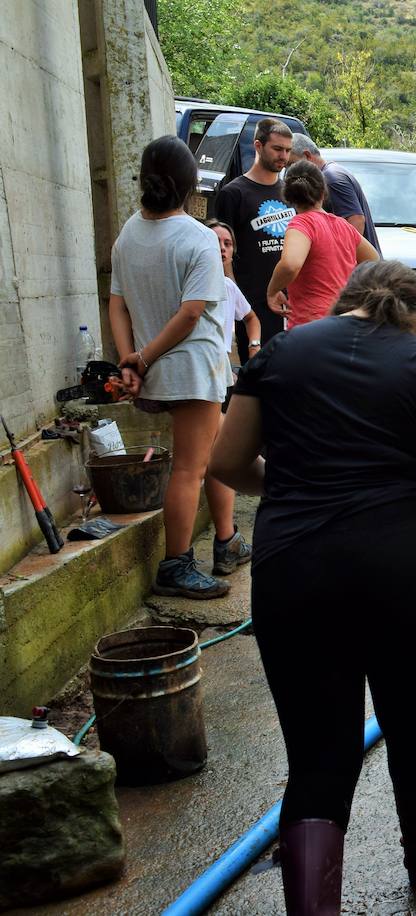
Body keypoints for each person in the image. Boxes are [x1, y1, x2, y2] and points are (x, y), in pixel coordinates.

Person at [208, 260, 416, 913]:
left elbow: (226, 463)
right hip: (401, 569)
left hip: (294, 571)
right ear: (413, 313)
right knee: (413, 723)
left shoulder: (280, 354)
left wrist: (290, 488)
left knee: (318, 748)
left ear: (349, 300)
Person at [107, 136, 232, 598]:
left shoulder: (128, 234)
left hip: (157, 366)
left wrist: (130, 359)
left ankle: (229, 541)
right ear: (189, 185)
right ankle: (176, 566)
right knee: (189, 470)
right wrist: (139, 358)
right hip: (191, 368)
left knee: (223, 450)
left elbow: (116, 303)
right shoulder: (197, 238)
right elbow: (191, 312)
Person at [202, 218, 258, 574]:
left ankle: (227, 539)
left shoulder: (227, 286)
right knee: (214, 455)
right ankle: (226, 541)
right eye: (215, 241)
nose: (222, 248)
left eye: (227, 243)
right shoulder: (198, 282)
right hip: (202, 372)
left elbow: (251, 318)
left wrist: (253, 346)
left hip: (221, 373)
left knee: (217, 452)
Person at [213, 118, 295, 353]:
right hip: (253, 306)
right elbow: (223, 256)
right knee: (258, 378)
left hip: (291, 303)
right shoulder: (233, 194)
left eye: (288, 151)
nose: (283, 156)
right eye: (277, 149)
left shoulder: (290, 193)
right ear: (258, 146)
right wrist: (236, 304)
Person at [265, 161, 380, 329]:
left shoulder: (301, 224)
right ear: (323, 192)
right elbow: (373, 260)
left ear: (288, 195)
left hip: (312, 326)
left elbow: (290, 265)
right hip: (344, 321)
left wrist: (272, 291)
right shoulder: (343, 225)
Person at [288, 134, 382, 256]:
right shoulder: (330, 174)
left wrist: (341, 262)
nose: (288, 170)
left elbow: (356, 220)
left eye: (291, 164)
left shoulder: (332, 178)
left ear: (307, 156)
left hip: (357, 271)